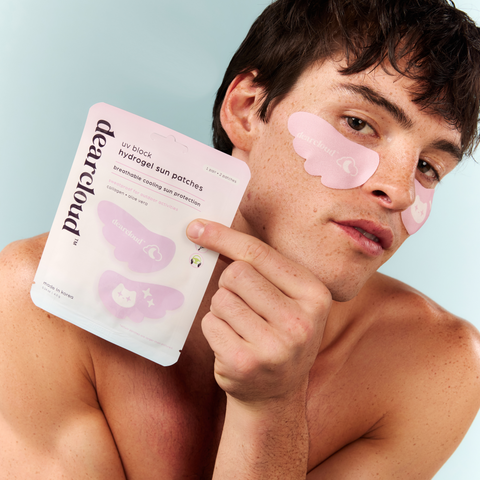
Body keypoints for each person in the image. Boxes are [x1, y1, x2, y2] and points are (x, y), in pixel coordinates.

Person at [1, 0, 480, 478]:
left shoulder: (439, 364)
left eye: (427, 167)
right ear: (248, 110)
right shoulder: (36, 298)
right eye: (357, 123)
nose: (398, 191)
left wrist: (273, 408)